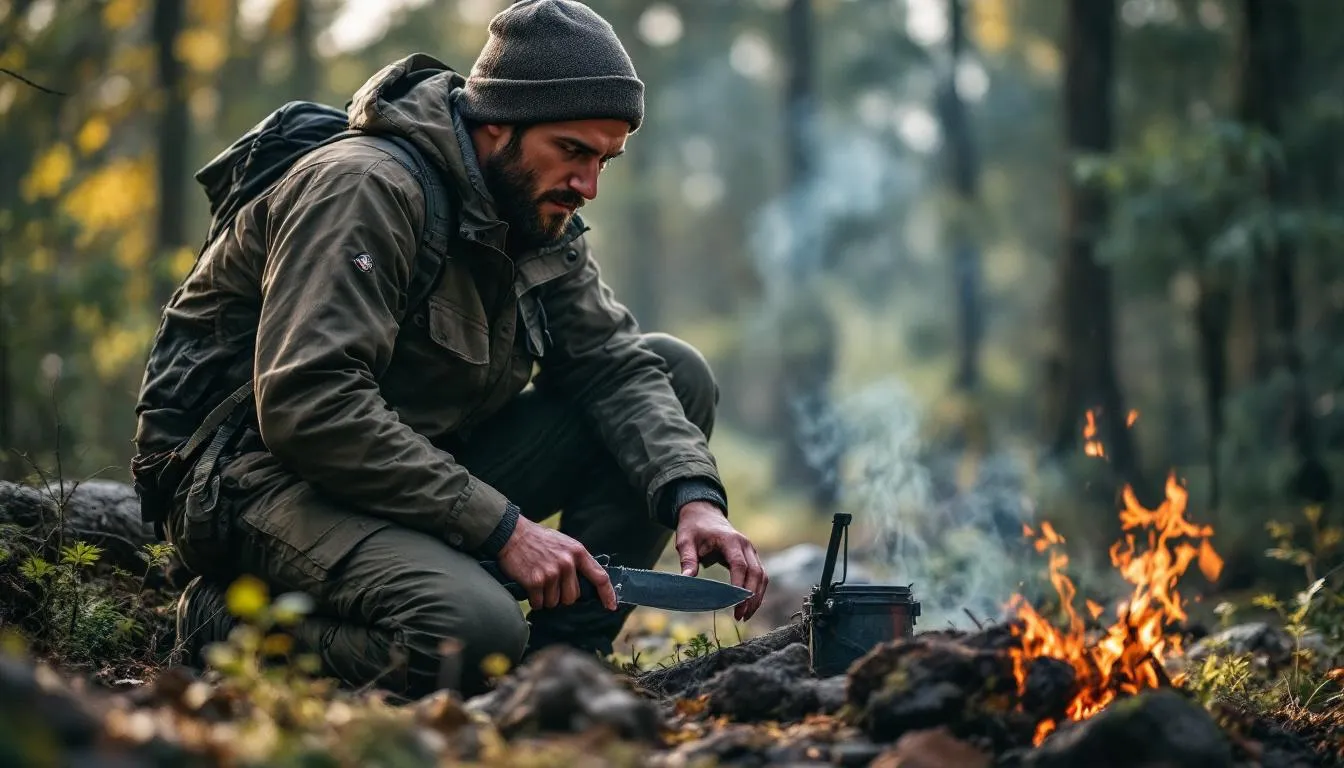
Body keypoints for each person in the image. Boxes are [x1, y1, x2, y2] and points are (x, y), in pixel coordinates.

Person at [131, 0, 768, 698]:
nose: (587, 186)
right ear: (497, 123)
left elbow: (611, 362)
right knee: (470, 632)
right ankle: (221, 623)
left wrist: (692, 496)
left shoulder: (531, 210)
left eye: (606, 160)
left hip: (411, 468)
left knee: (674, 374)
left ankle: (562, 671)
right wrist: (503, 531)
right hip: (259, 480)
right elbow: (310, 405)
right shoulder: (366, 186)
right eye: (574, 152)